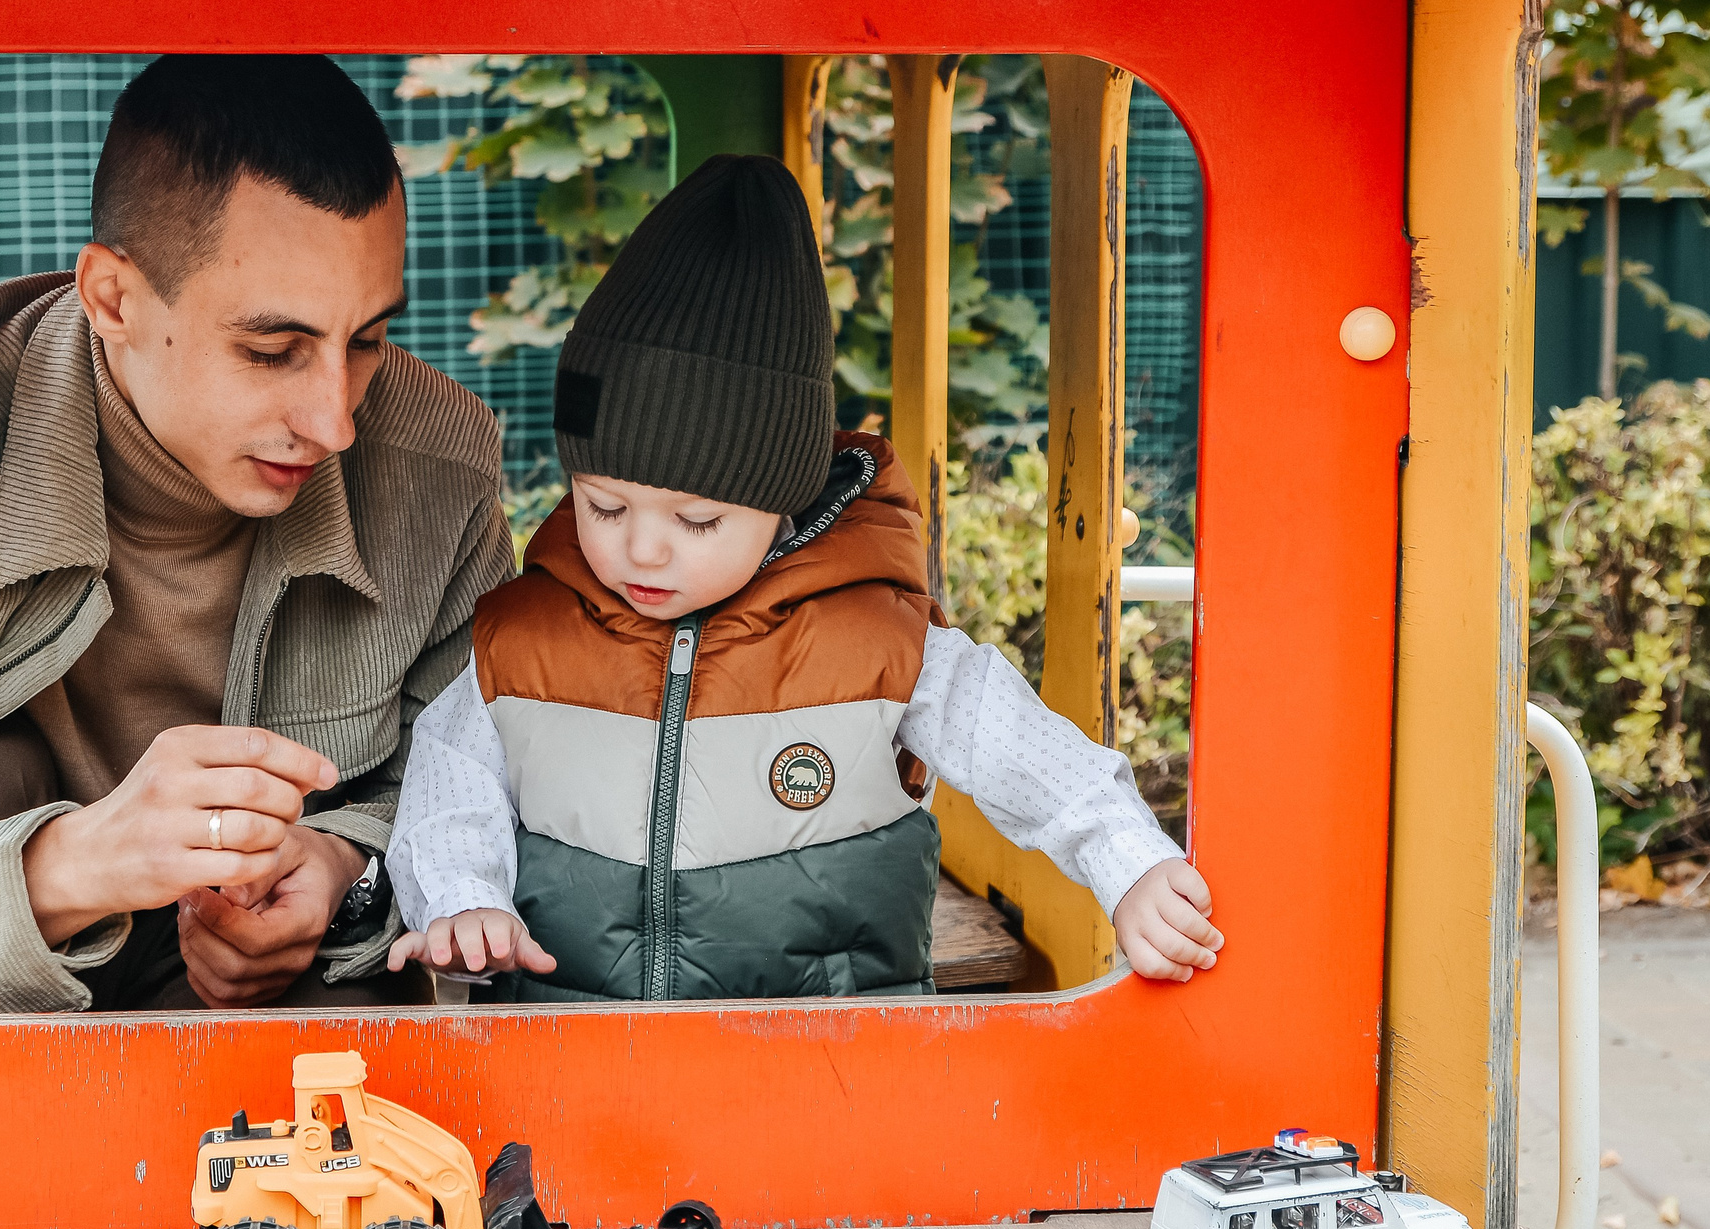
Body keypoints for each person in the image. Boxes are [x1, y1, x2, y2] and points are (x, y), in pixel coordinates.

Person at [0, 54, 514, 1015]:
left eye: (369, 339)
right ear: (113, 299)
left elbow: (496, 801)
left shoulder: (439, 465)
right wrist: (73, 866)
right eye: (271, 349)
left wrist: (345, 876)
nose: (335, 421)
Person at [382, 154, 1223, 1000]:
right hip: (579, 1045)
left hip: (835, 1057)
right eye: (604, 505)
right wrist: (462, 900)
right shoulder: (523, 641)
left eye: (696, 520)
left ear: (782, 496)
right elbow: (450, 784)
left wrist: (1131, 866)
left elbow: (1027, 755)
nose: (642, 549)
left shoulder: (877, 643)